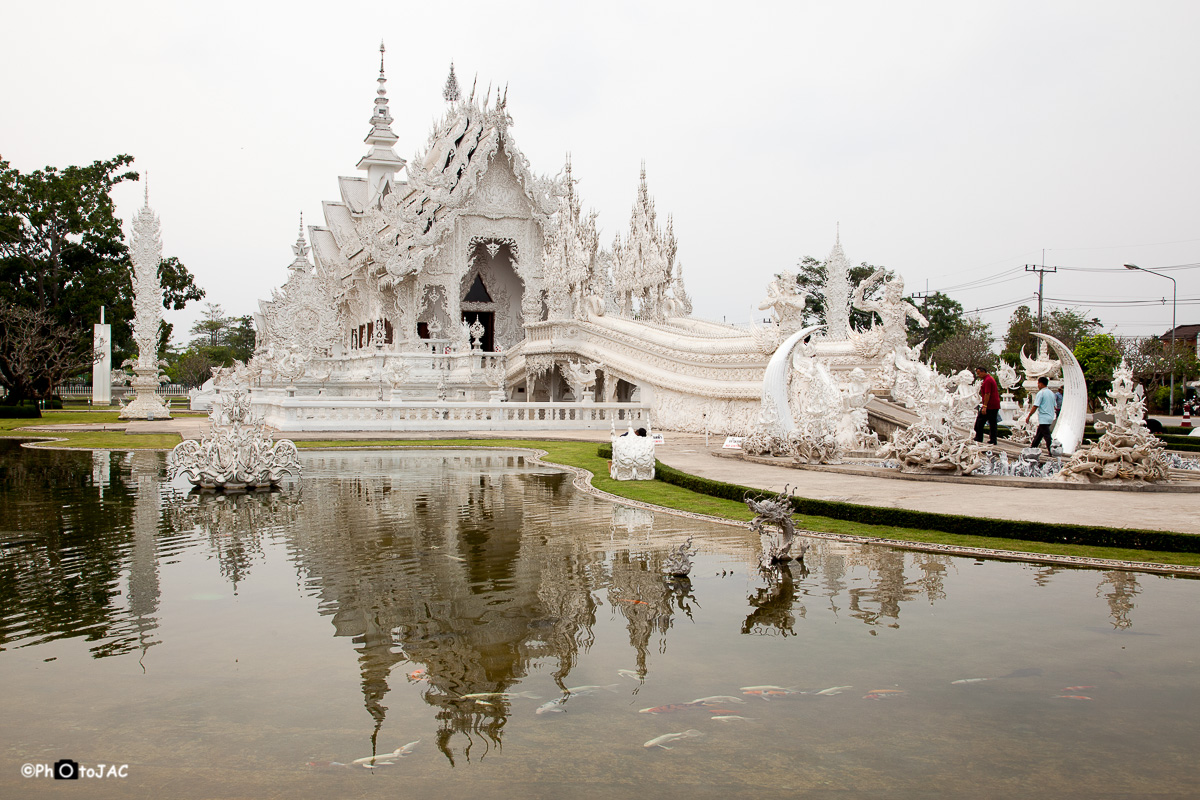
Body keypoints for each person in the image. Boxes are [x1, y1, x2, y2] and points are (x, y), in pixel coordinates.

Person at [1025, 376, 1056, 456]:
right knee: (1039, 434)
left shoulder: (1041, 393)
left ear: (1041, 384)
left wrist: (1029, 415)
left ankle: (1052, 451)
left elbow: (1035, 406)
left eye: (1038, 383)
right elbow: (1054, 405)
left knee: (1047, 436)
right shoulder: (1051, 393)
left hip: (1044, 417)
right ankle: (1032, 448)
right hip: (1050, 416)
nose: (1038, 385)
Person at [973, 365, 1001, 445]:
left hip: (990, 405)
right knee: (992, 423)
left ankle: (979, 437)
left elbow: (987, 394)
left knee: (980, 422)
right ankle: (992, 439)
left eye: (979, 373)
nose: (978, 375)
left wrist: (984, 406)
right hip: (993, 405)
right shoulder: (988, 379)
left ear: (983, 372)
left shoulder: (988, 380)